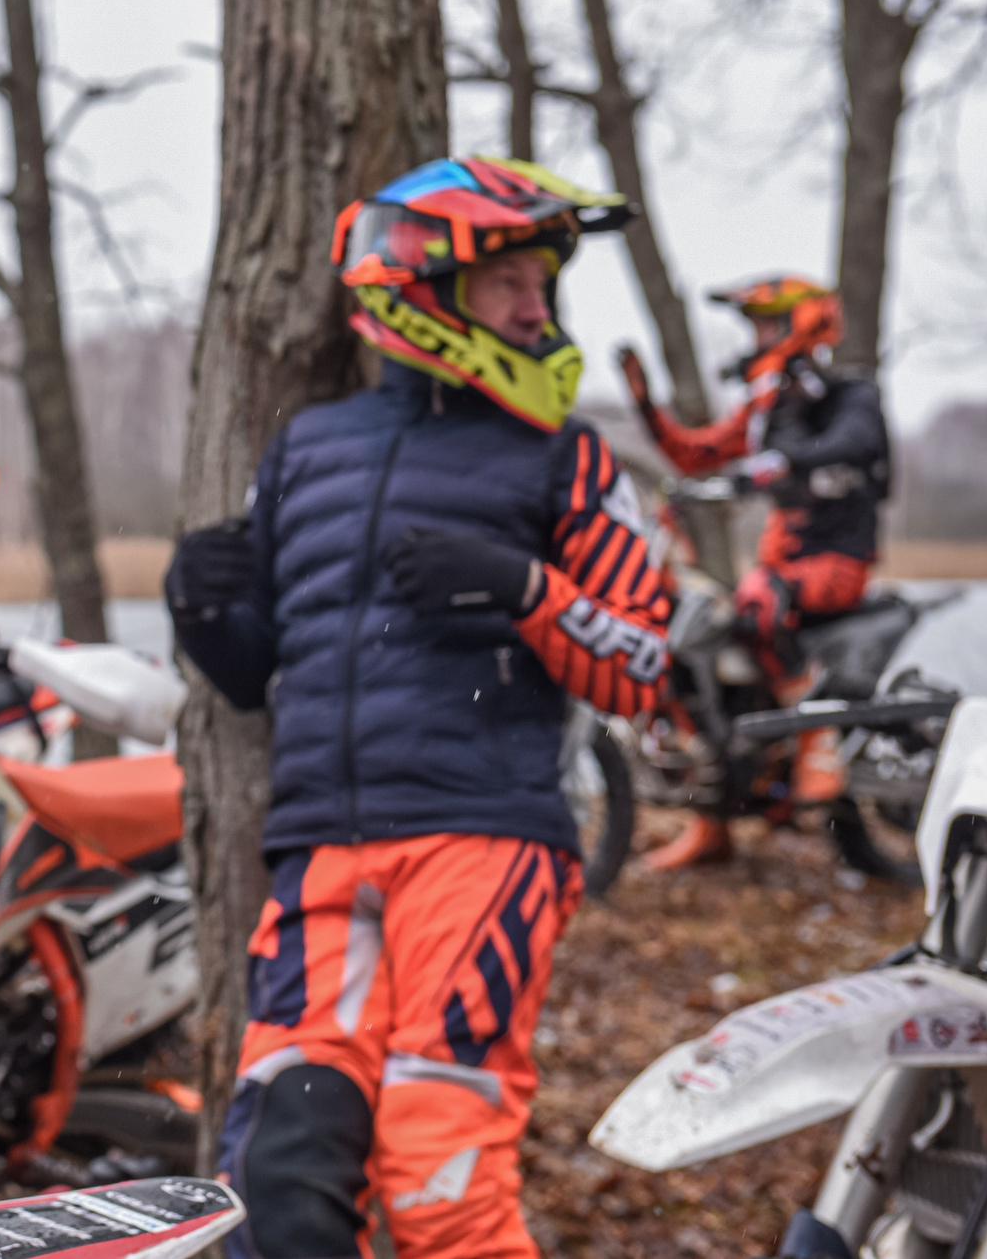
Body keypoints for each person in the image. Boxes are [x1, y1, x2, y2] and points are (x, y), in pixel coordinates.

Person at [165, 155, 673, 1259]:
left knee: (440, 1179)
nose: (536, 306)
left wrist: (526, 590)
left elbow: (643, 662)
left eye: (542, 284)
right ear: (420, 290)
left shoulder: (566, 456)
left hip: (481, 838)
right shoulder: (304, 447)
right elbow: (256, 672)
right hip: (320, 851)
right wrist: (200, 612)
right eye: (511, 284)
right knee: (275, 1182)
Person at [618, 276, 890, 869]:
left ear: (803, 323)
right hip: (779, 563)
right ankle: (712, 818)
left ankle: (818, 738)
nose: (757, 336)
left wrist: (774, 467)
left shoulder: (849, 395)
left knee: (756, 599)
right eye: (755, 326)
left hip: (836, 562)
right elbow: (697, 452)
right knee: (697, 646)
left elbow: (854, 441)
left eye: (768, 324)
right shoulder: (768, 405)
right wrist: (645, 406)